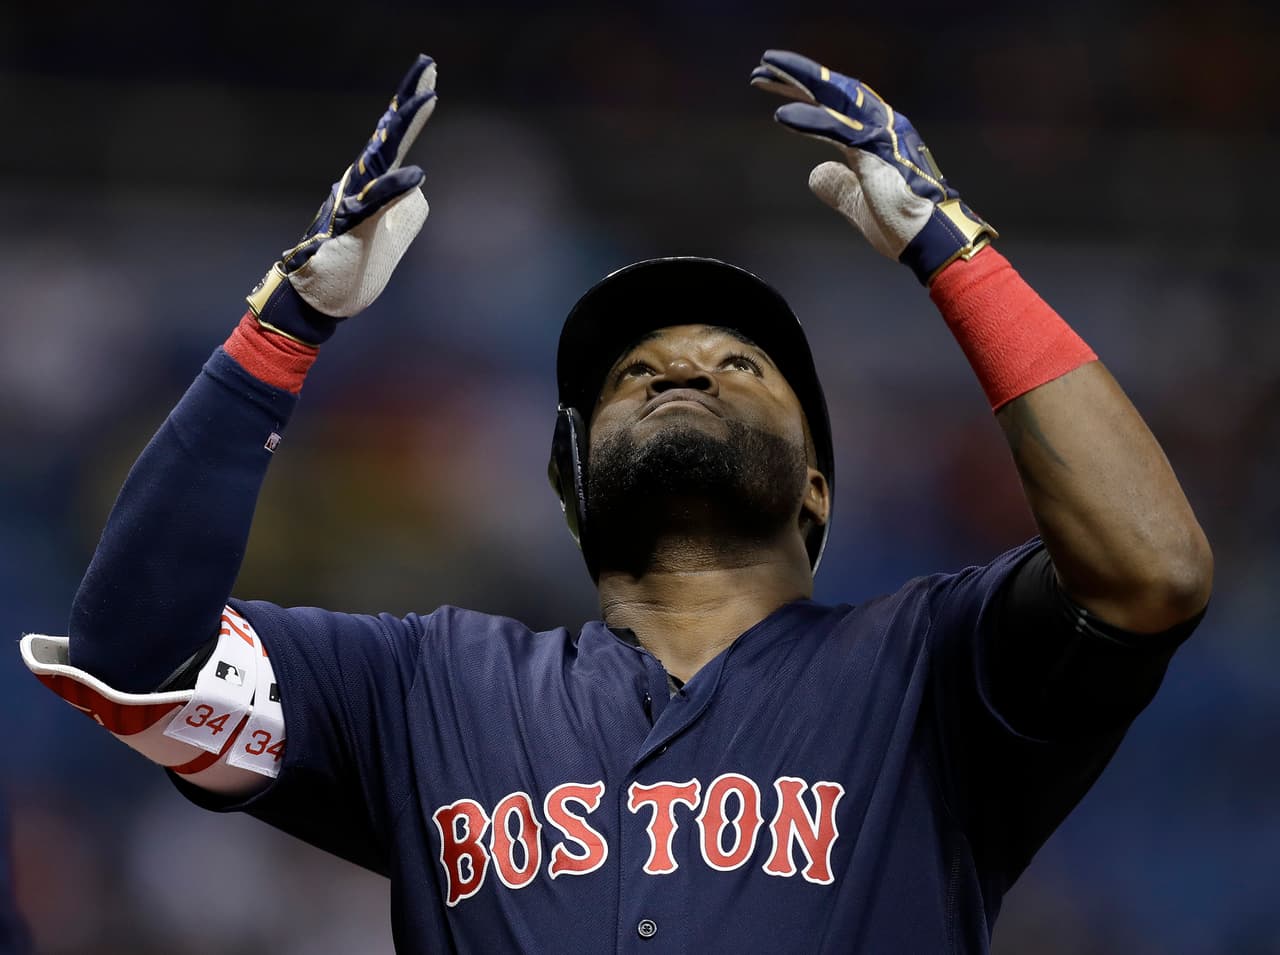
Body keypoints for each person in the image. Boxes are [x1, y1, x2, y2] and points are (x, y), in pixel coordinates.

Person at [22, 49, 1212, 953]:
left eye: (737, 368)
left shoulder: (935, 666)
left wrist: (956, 252)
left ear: (814, 489)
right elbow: (136, 659)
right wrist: (280, 330)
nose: (683, 366)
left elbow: (1151, 567)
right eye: (633, 376)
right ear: (569, 484)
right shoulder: (421, 687)